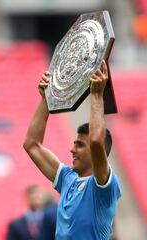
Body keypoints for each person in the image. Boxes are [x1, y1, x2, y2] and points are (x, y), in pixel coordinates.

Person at [23, 60, 121, 240]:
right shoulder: (68, 179)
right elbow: (31, 144)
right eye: (75, 143)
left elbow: (96, 141)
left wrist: (97, 95)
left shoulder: (103, 187)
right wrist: (47, 100)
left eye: (80, 145)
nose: (72, 150)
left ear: (96, 154)